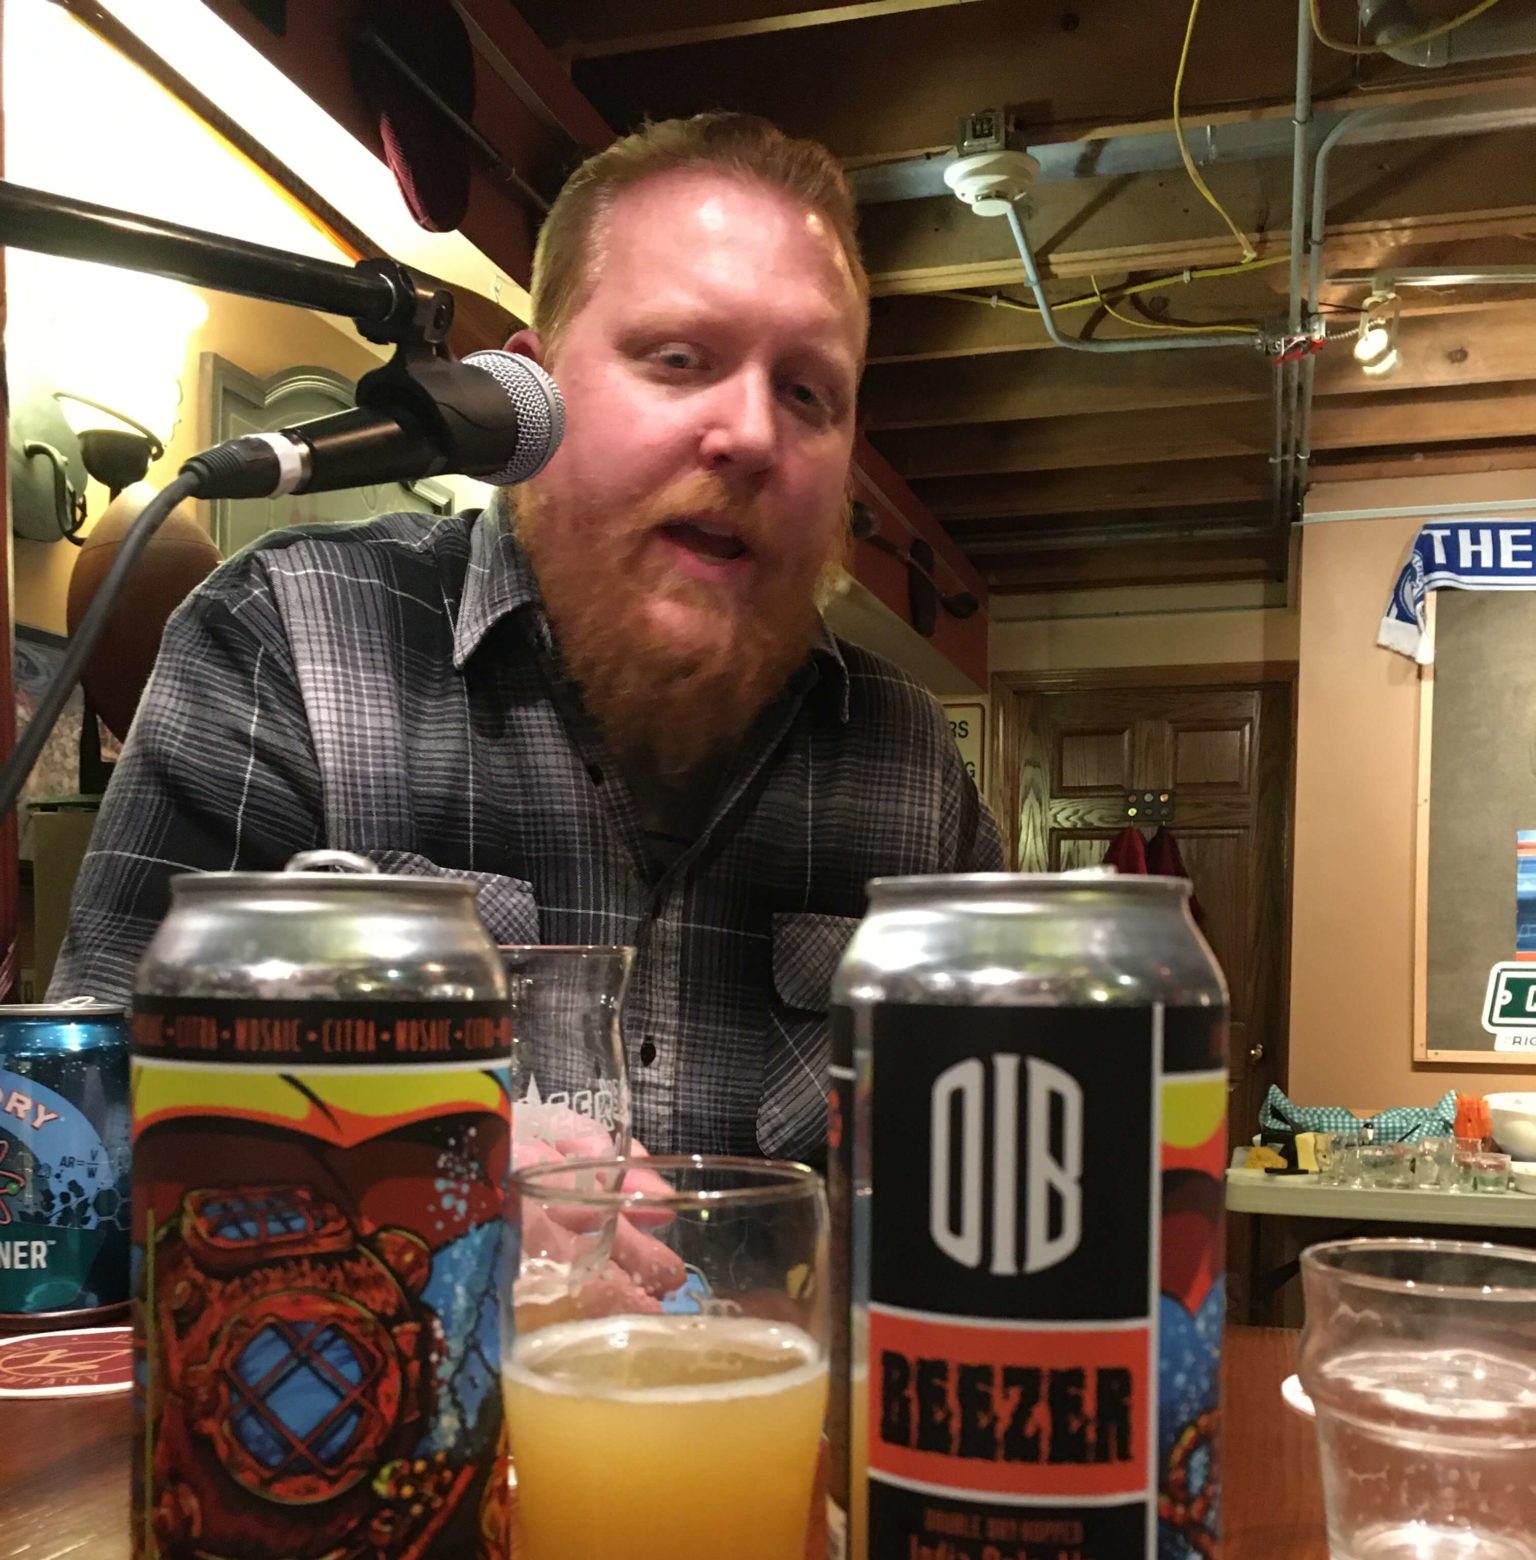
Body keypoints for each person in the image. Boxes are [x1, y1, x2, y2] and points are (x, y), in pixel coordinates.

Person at [50, 112, 1002, 1165]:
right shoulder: (288, 637)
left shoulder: (912, 765)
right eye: (678, 358)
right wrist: (442, 1183)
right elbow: (89, 1140)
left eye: (808, 393)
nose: (752, 435)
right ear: (531, 398)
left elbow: (989, 1165)